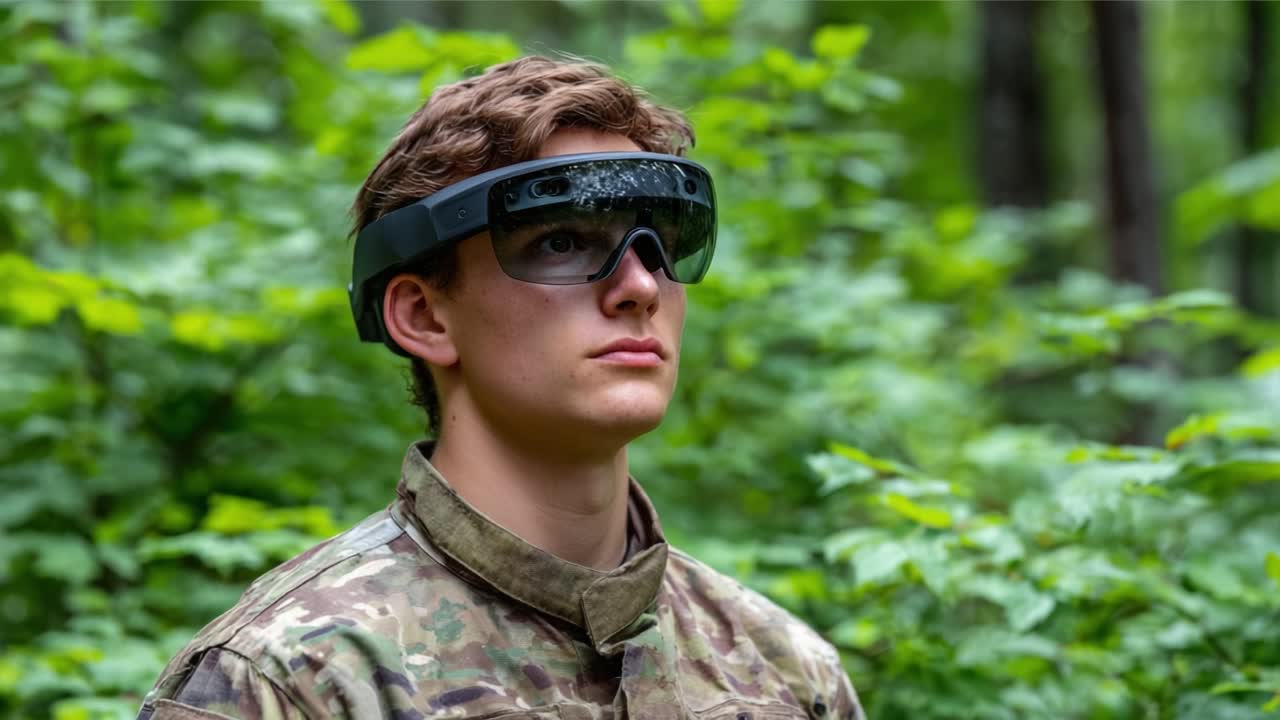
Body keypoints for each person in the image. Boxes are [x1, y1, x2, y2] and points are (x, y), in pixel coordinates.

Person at [137, 55, 864, 720]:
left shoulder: (784, 672)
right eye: (561, 242)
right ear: (424, 315)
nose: (640, 286)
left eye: (661, 245)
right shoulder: (289, 681)